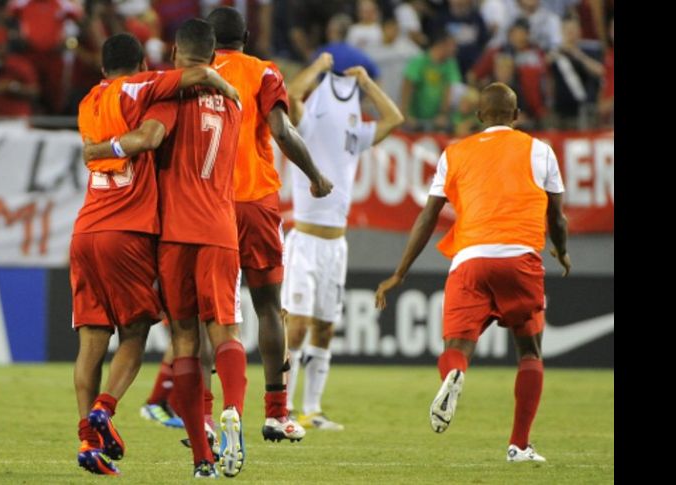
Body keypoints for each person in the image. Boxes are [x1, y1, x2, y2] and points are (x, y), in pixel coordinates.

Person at [83, 18, 247, 479]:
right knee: (226, 334)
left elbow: (150, 137)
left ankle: (202, 457)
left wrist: (102, 148)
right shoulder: (234, 104)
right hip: (220, 228)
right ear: (214, 58)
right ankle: (234, 408)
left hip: (174, 235)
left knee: (184, 344)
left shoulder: (172, 97)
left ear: (175, 54)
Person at [375, 82, 571, 463]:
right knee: (530, 350)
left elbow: (428, 216)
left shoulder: (455, 152)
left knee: (454, 349)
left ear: (478, 117)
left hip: (469, 259)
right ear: (516, 116)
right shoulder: (540, 150)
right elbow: (557, 215)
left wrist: (399, 273)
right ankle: (519, 445)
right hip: (520, 258)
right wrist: (561, 251)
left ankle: (455, 373)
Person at [205, 6, 333, 443]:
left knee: (211, 314)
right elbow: (280, 130)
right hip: (256, 201)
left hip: (206, 206)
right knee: (267, 306)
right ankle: (277, 413)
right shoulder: (263, 72)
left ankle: (204, 416)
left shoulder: (192, 74)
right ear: (245, 35)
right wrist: (315, 175)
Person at [283, 53, 404, 430]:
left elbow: (395, 119)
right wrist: (319, 66)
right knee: (298, 327)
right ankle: (281, 408)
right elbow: (290, 96)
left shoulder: (355, 132)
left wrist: (367, 84)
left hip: (336, 246)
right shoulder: (309, 124)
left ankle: (312, 410)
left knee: (325, 328)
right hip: (304, 241)